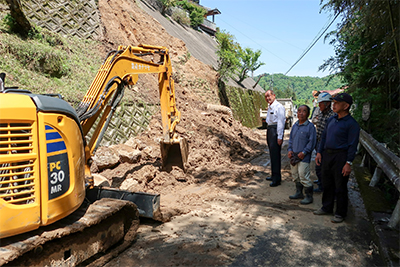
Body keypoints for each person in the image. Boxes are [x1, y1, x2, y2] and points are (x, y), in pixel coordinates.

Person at [313, 93, 360, 223]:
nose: (334, 105)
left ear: (346, 106)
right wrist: (319, 152)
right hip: (327, 155)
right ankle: (326, 207)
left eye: (337, 103)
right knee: (326, 182)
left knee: (340, 185)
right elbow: (323, 137)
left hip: (341, 156)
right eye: (333, 102)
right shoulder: (331, 120)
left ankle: (340, 213)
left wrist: (348, 162)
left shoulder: (352, 124)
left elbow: (353, 145)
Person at [287, 105, 316, 204]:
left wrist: (304, 152)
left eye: (304, 111)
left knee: (303, 175)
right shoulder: (295, 126)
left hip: (304, 156)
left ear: (308, 114)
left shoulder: (310, 127)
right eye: (299, 111)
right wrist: (290, 150)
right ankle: (299, 192)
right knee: (295, 175)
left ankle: (309, 196)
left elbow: (311, 142)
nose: (301, 113)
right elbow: (290, 140)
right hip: (294, 156)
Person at [313, 92, 335, 193]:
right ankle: (321, 184)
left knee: (324, 168)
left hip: (327, 146)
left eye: (321, 104)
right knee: (318, 167)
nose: (319, 106)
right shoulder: (320, 114)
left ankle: (325, 186)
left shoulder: (333, 116)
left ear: (327, 104)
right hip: (319, 144)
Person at [264, 90, 286, 187]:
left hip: (275, 130)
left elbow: (281, 122)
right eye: (266, 97)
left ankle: (277, 179)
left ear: (274, 95)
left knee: (276, 155)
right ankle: (273, 175)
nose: (268, 98)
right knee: (272, 154)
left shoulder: (279, 107)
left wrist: (280, 136)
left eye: (269, 96)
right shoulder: (270, 107)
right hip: (270, 129)